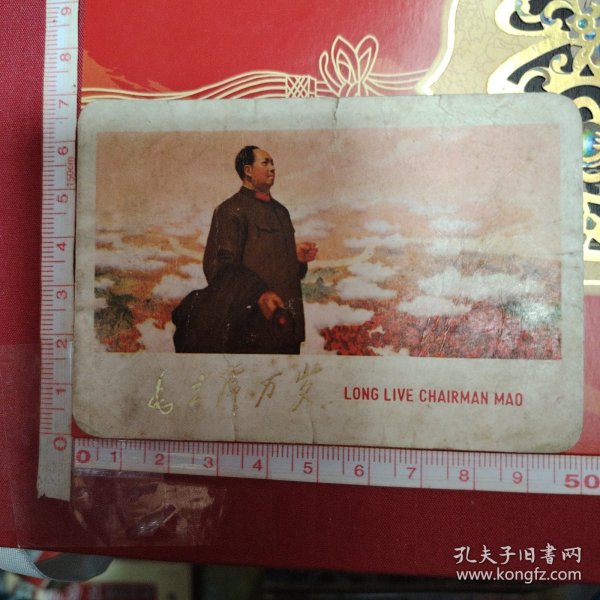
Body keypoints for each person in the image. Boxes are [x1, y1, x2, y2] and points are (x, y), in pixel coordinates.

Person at [199, 145, 317, 354]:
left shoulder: (281, 212)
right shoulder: (229, 211)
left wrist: (296, 259)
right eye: (265, 163)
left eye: (273, 163)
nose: (272, 168)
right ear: (248, 171)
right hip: (251, 329)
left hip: (287, 328)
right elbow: (219, 269)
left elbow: (280, 269)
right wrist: (258, 294)